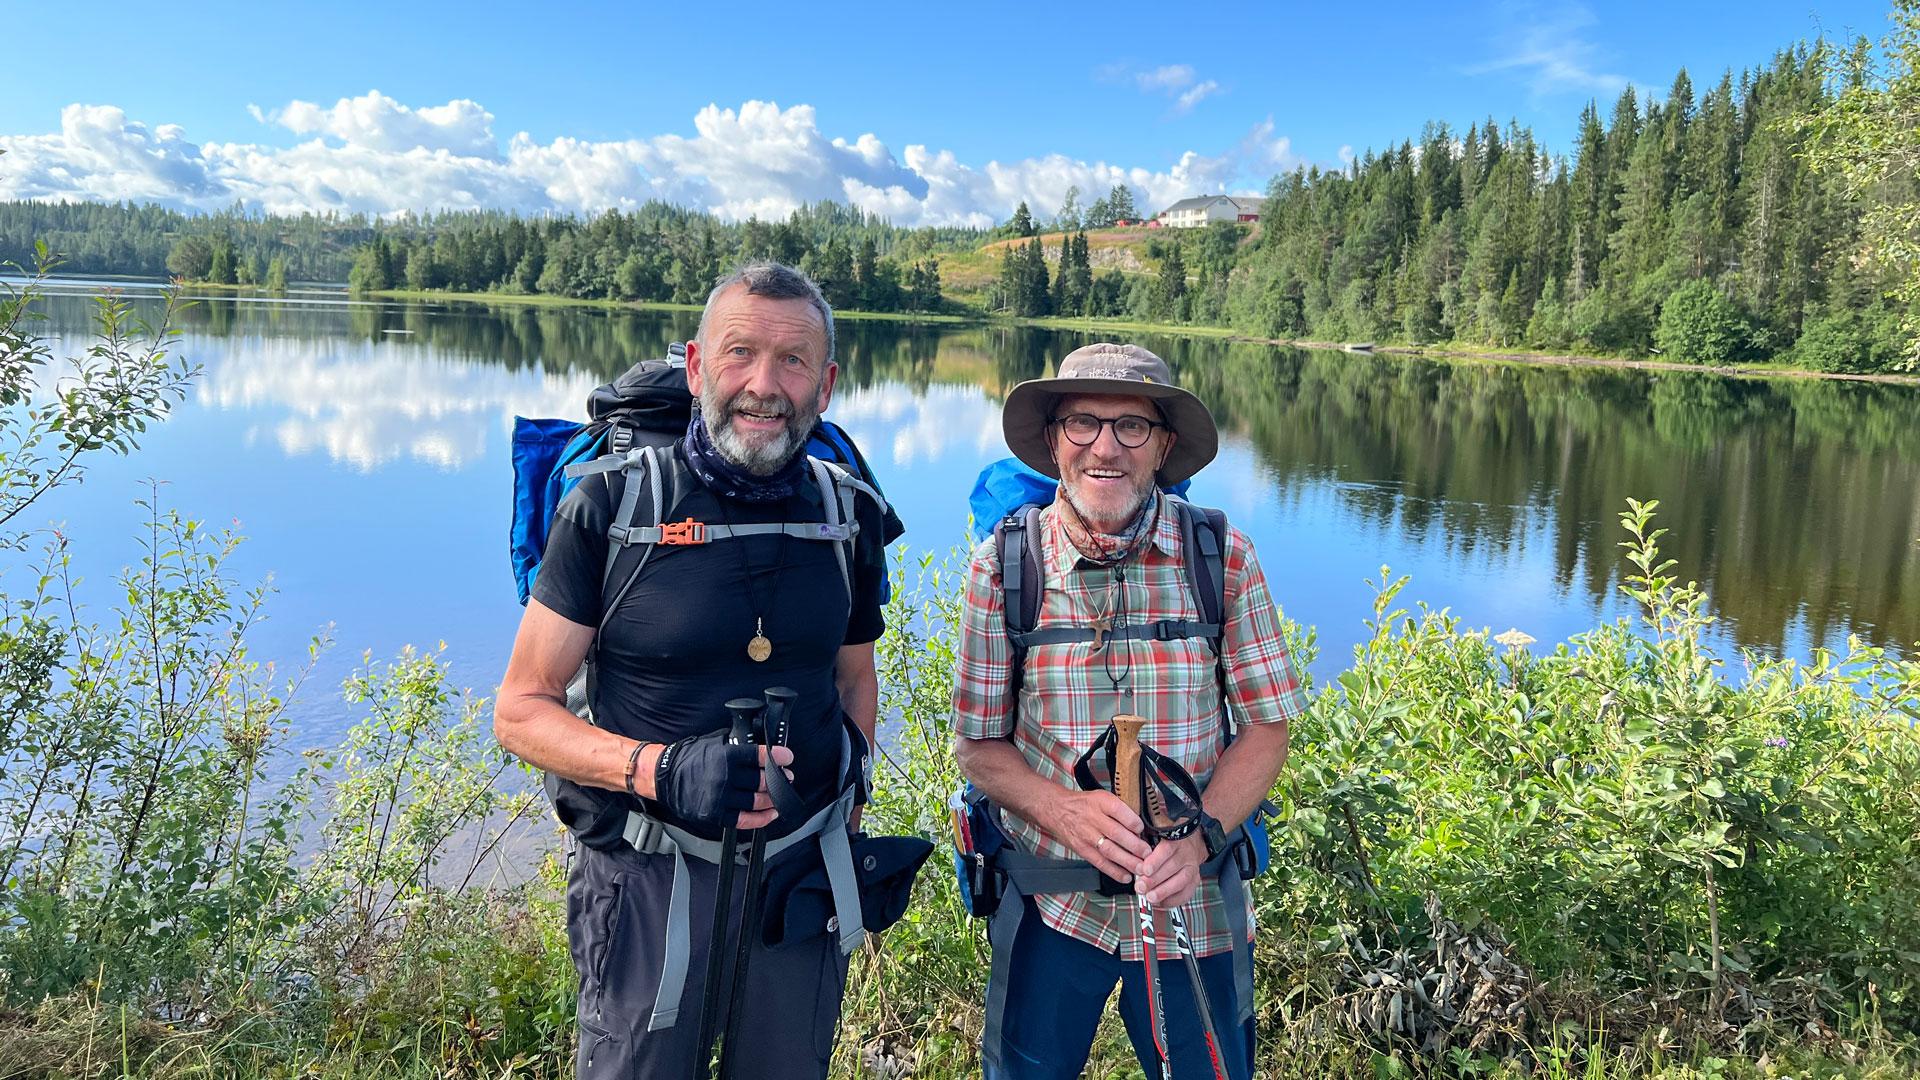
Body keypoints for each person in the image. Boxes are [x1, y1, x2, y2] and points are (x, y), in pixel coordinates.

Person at [495, 261, 892, 1079]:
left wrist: (848, 793)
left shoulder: (844, 511)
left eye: (793, 361)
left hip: (799, 879)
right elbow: (520, 710)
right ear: (697, 365)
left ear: (828, 381)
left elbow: (854, 677)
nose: (764, 385)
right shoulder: (611, 506)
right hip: (649, 876)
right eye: (740, 353)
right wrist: (658, 770)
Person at [952, 343, 1308, 1080]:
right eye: (1082, 423)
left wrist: (1201, 839)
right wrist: (1064, 811)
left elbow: (1268, 729)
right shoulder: (1005, 566)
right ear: (1053, 442)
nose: (1105, 447)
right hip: (1051, 904)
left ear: (1165, 446)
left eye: (1132, 427)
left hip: (1196, 908)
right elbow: (978, 748)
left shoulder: (1221, 557)